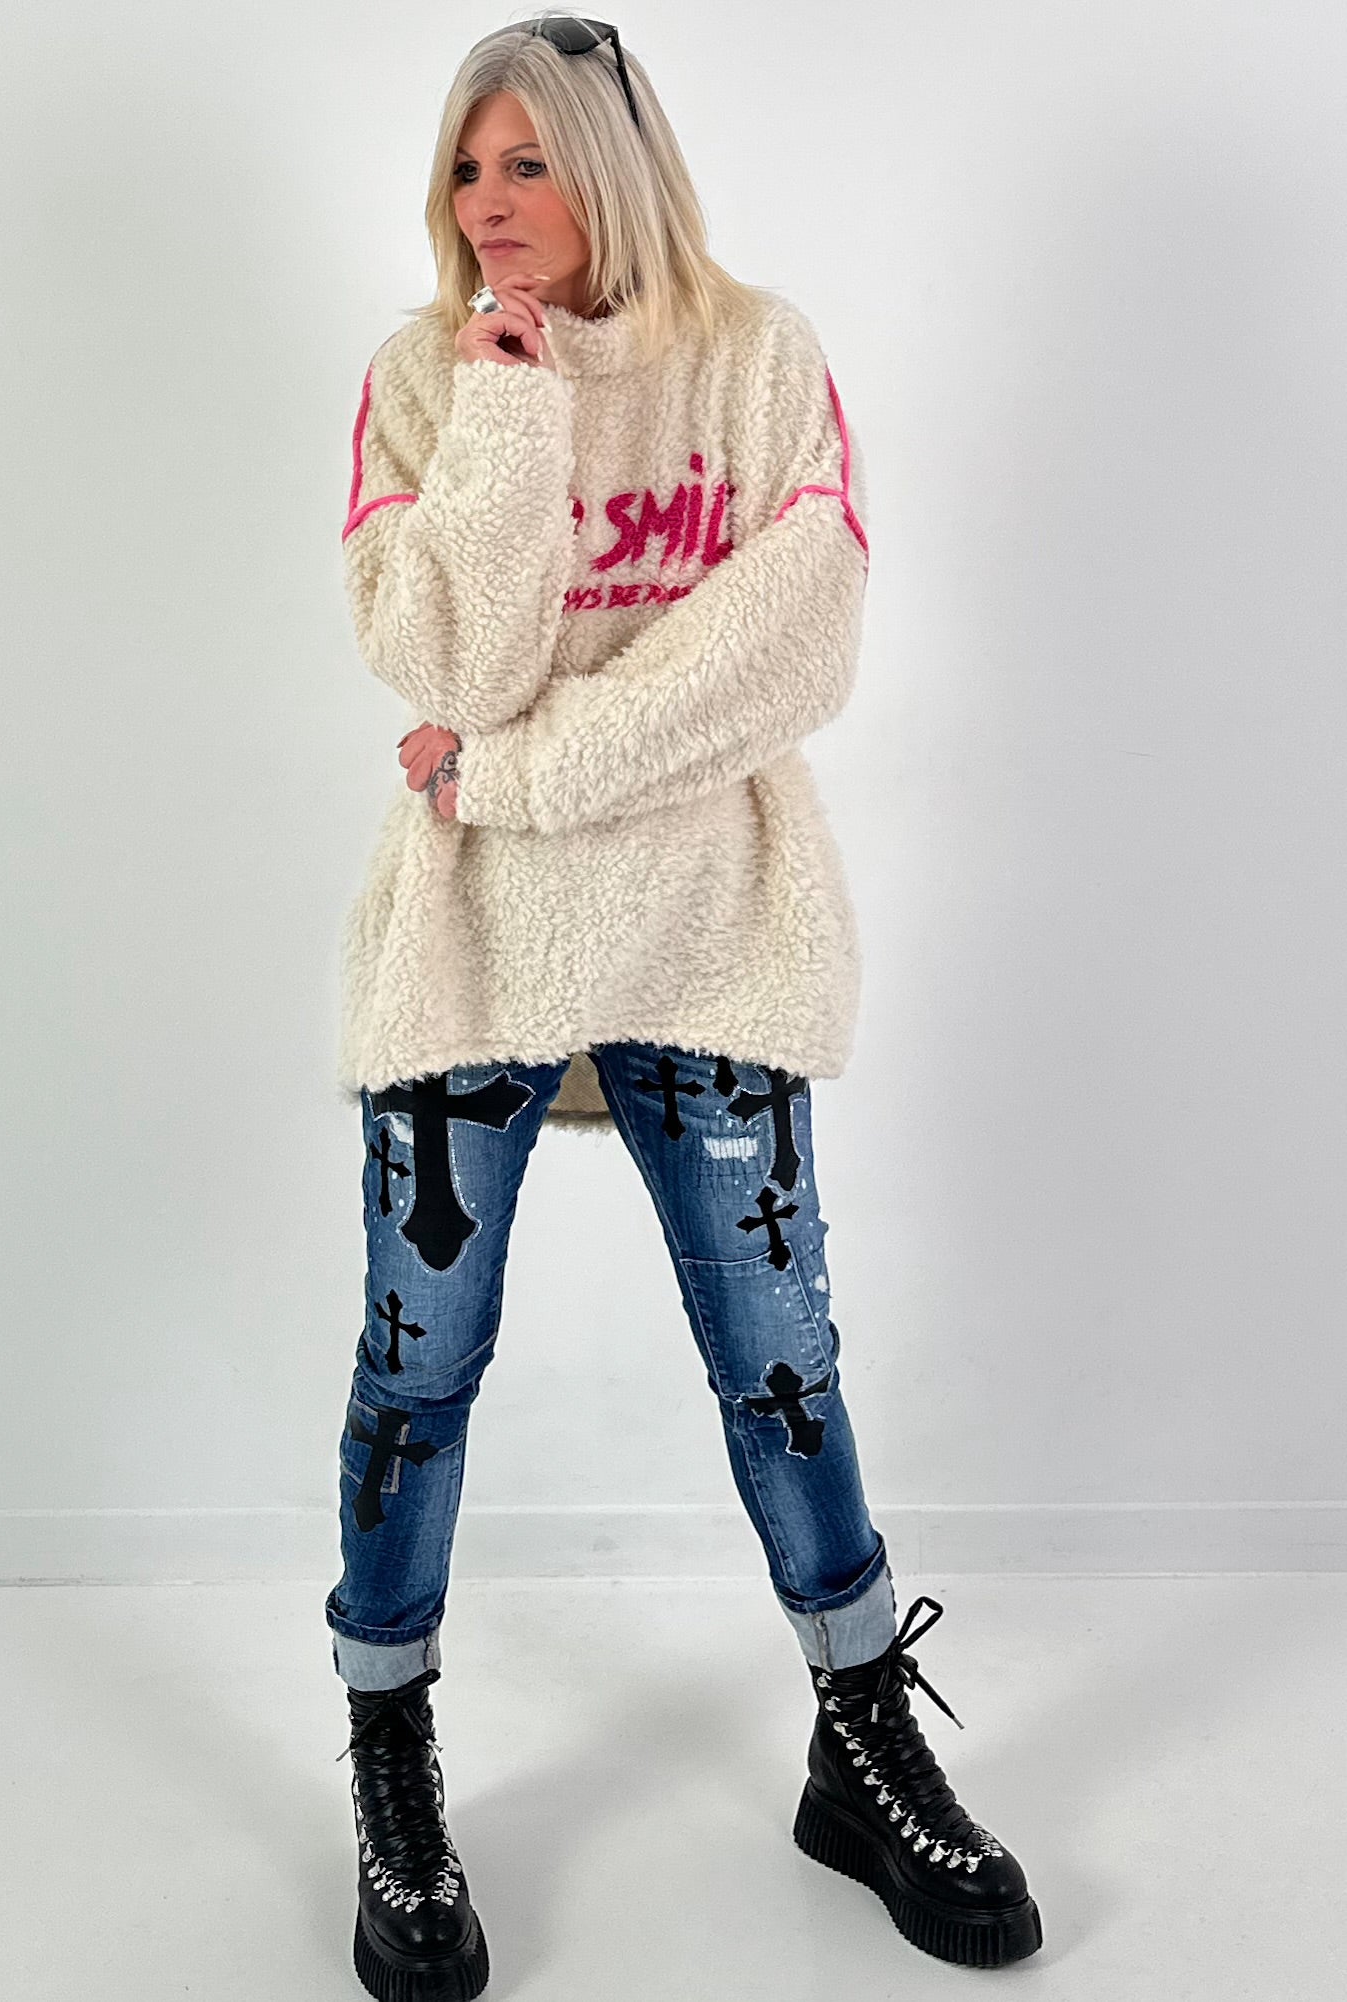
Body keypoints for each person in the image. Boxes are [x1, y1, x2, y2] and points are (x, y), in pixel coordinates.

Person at [325, 16, 1042, 1999]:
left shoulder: (759, 359)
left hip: (712, 924)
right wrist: (509, 417)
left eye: (529, 161)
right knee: (418, 1366)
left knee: (776, 1353)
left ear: (611, 167)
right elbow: (449, 653)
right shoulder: (420, 381)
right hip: (468, 939)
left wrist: (512, 774)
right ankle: (388, 1756)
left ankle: (860, 1737)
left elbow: (785, 654)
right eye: (467, 166)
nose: (490, 202)